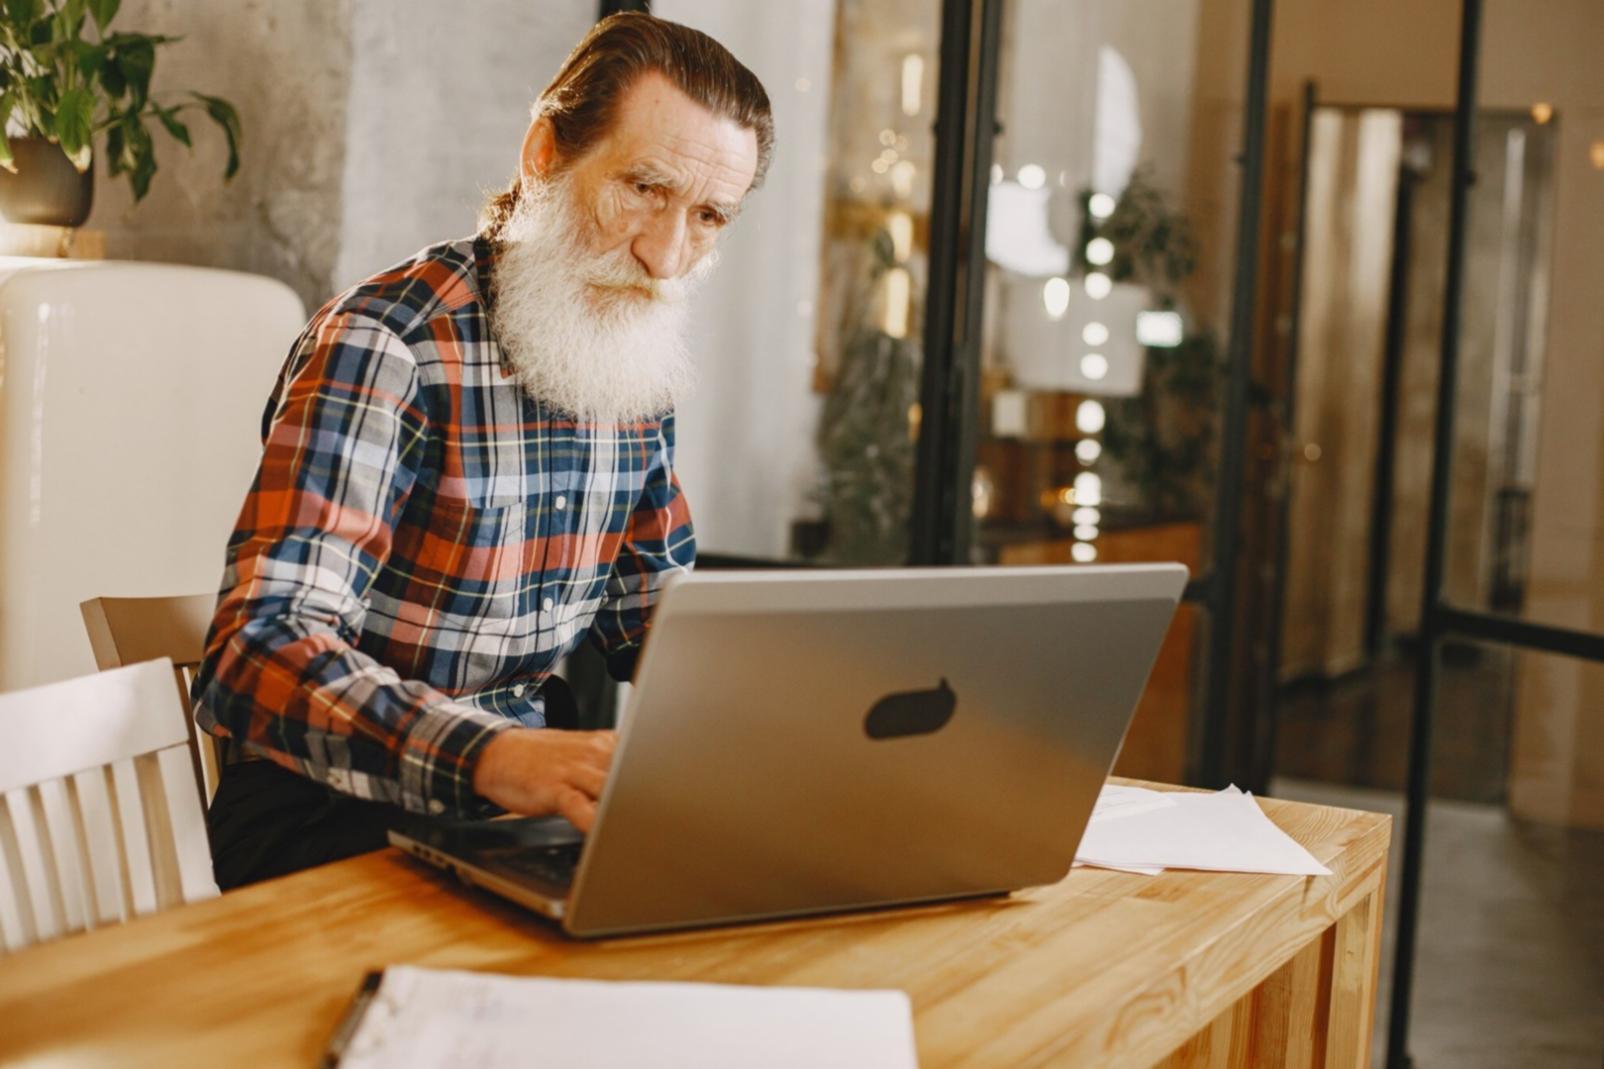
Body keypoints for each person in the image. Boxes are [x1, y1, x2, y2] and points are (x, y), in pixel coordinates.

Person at [192, 12, 774, 890]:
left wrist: (810, 711)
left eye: (708, 216)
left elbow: (654, 618)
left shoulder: (629, 352)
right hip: (331, 821)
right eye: (644, 190)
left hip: (520, 822)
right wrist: (493, 754)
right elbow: (257, 648)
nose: (666, 256)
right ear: (545, 152)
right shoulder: (387, 343)